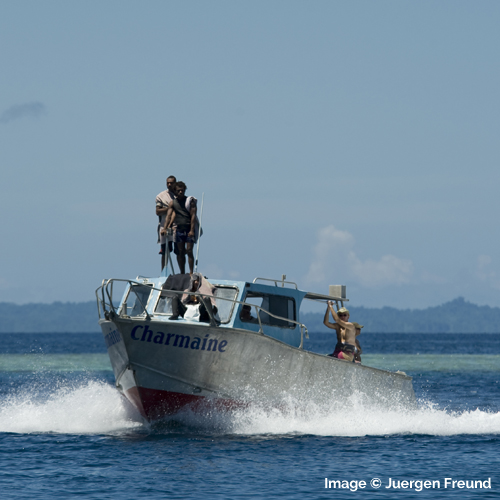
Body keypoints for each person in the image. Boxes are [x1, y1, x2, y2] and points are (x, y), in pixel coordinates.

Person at [164, 181, 199, 275]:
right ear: (175, 191)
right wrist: (165, 228)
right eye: (178, 190)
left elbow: (193, 216)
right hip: (179, 229)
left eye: (182, 190)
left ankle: (191, 272)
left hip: (188, 229)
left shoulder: (190, 201)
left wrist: (192, 230)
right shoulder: (173, 203)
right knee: (180, 252)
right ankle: (182, 272)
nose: (180, 192)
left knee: (189, 250)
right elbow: (168, 216)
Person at [156, 175, 176, 270]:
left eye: (171, 183)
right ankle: (163, 271)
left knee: (180, 250)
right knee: (165, 251)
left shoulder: (179, 195)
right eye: (168, 183)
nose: (169, 185)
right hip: (164, 226)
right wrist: (170, 208)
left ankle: (182, 273)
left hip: (177, 226)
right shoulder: (161, 196)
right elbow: (157, 211)